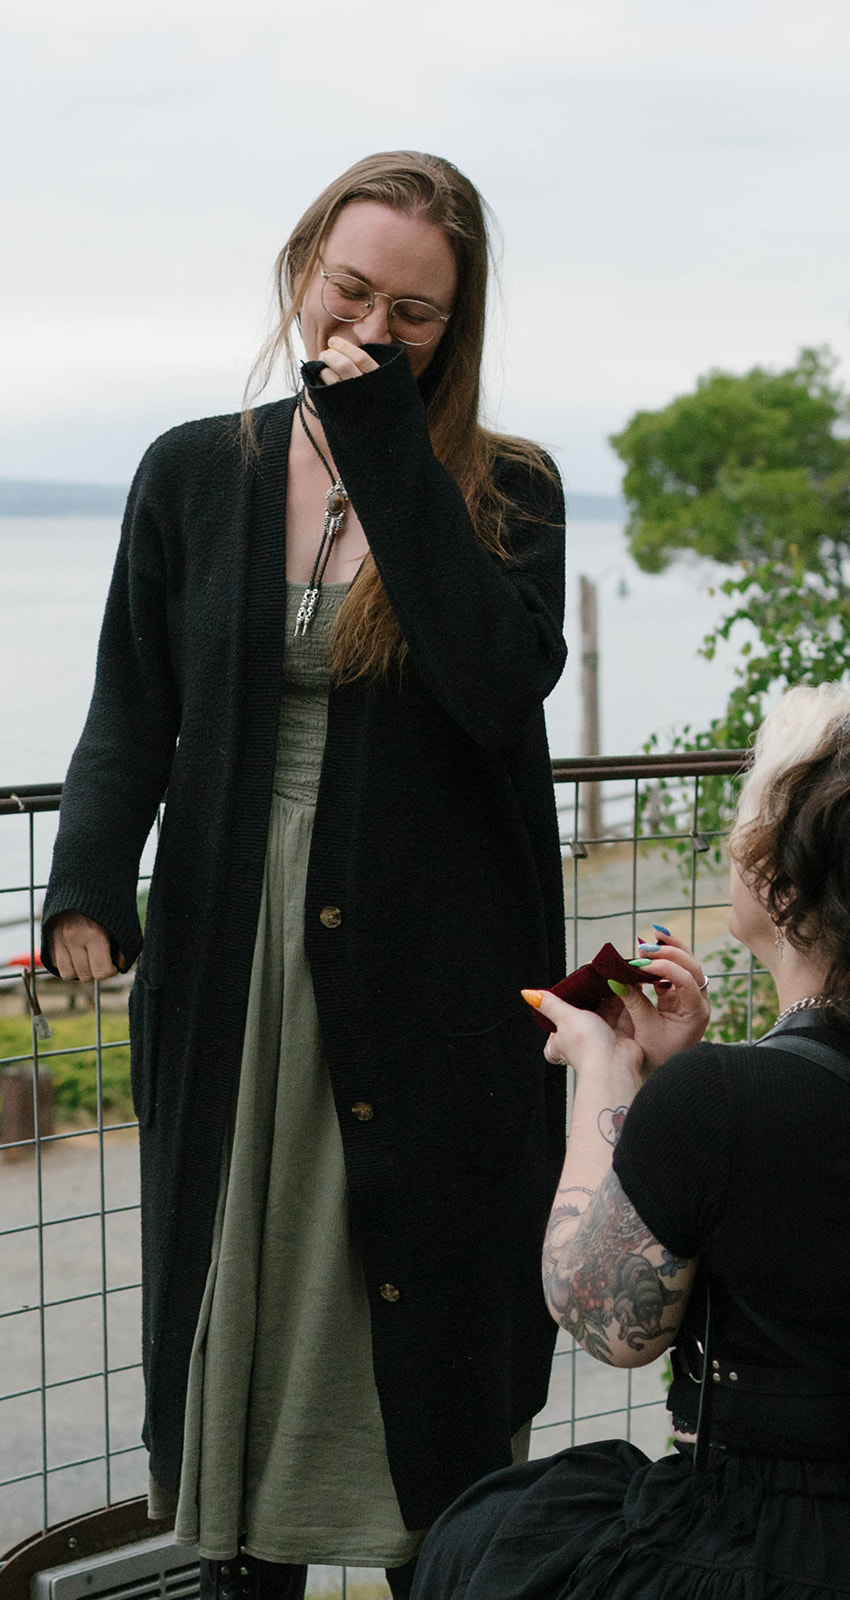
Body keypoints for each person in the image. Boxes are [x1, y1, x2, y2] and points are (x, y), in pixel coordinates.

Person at [40, 152, 568, 1600]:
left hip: (428, 966)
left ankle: (438, 1568)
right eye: (351, 289)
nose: (373, 326)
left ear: (450, 329)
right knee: (244, 1294)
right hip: (232, 948)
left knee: (416, 1307)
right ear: (298, 273)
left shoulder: (506, 489)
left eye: (415, 310)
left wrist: (387, 447)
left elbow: (495, 679)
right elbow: (129, 708)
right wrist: (88, 881)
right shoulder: (191, 471)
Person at [412, 683, 850, 1600]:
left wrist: (607, 1076)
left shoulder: (724, 1097)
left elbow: (598, 1312)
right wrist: (671, 1083)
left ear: (784, 886)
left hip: (756, 1544)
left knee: (482, 1538)